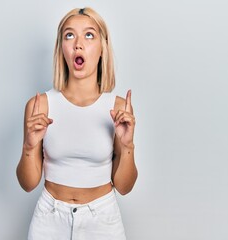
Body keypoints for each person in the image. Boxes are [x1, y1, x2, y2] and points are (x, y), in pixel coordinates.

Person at [16, 7, 138, 240]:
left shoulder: (119, 108)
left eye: (89, 35)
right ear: (62, 48)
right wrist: (30, 147)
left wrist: (128, 145)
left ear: (102, 48)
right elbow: (28, 183)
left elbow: (124, 186)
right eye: (69, 35)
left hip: (103, 220)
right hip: (49, 220)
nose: (78, 44)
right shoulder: (39, 105)